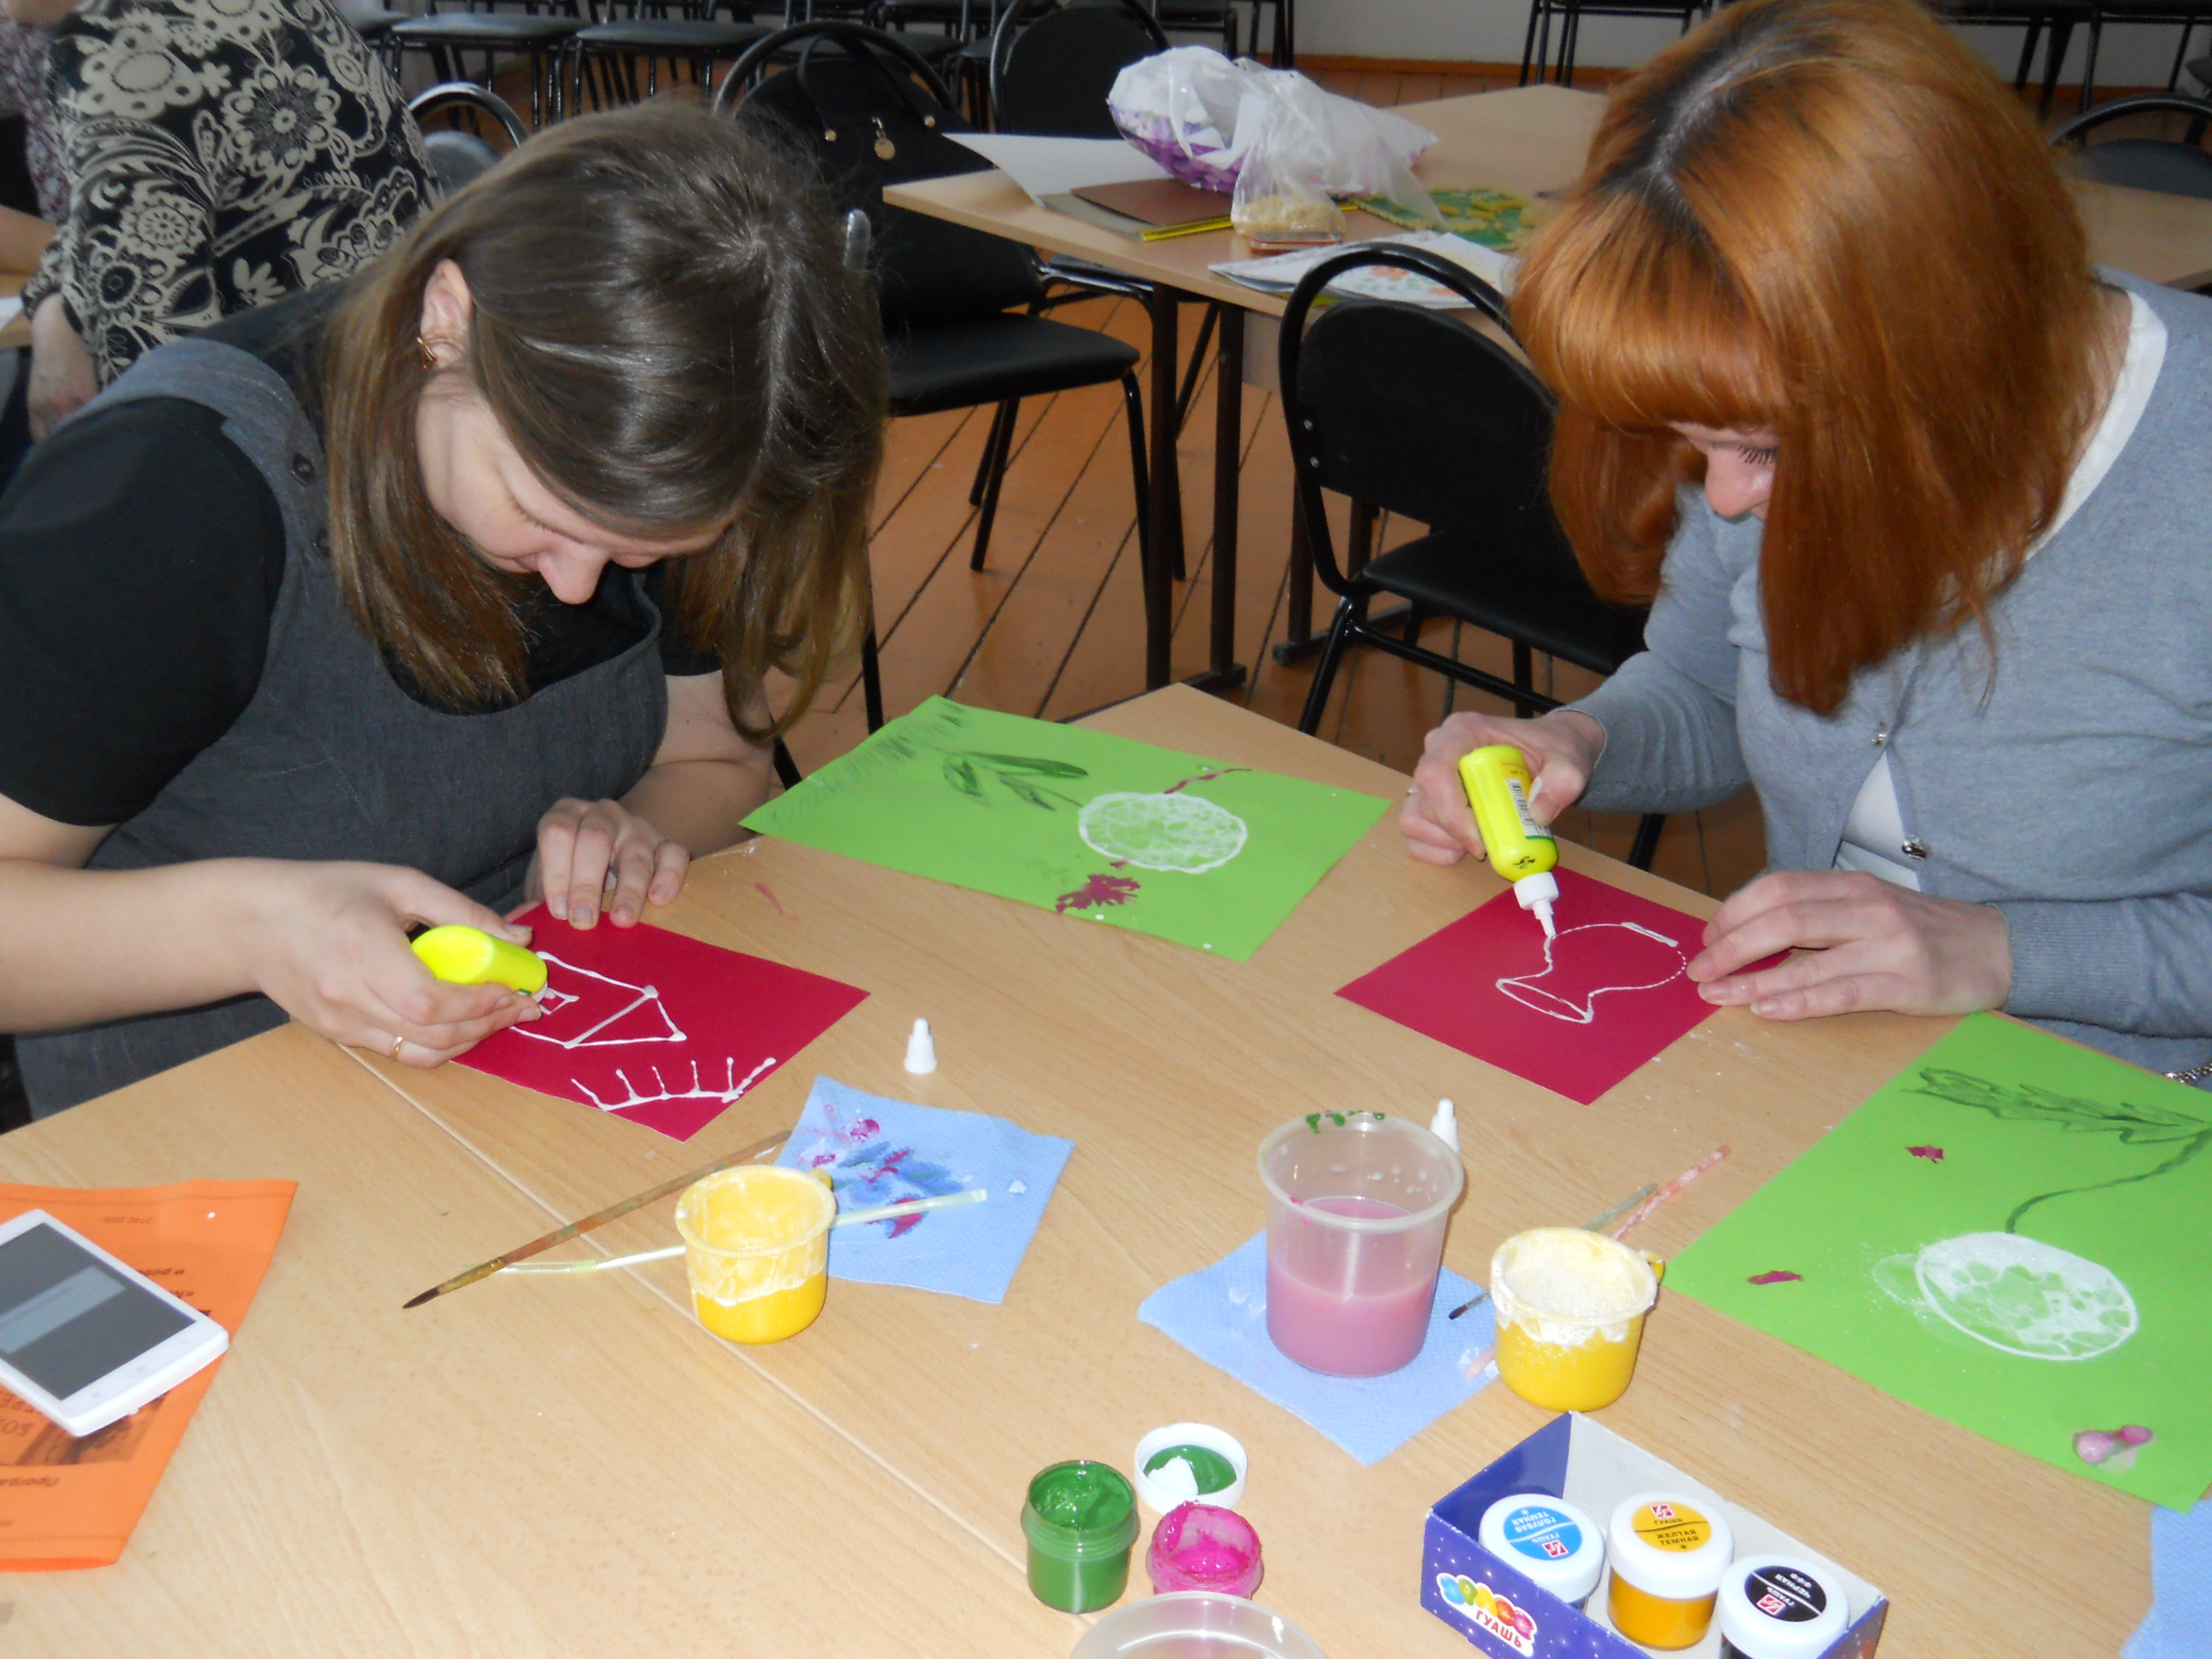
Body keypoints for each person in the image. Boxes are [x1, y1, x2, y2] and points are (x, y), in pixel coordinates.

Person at [0, 104, 887, 1115]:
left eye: (639, 553)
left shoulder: (692, 435)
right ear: (446, 321)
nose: (576, 585)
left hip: (520, 1078)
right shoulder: (177, 496)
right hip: (200, 1106)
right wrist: (256, 928)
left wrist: (636, 831)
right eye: (539, 513)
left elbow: (715, 760)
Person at [1399, 0, 2212, 1080]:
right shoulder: (1771, 378)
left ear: (1950, 360)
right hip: (1818, 1069)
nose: (1727, 499)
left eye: (1764, 450)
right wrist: (1577, 745)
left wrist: (2005, 952)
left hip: (2134, 1107)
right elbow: (1707, 688)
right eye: (1698, 446)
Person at [9, 0, 437, 437]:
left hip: (332, 428)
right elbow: (102, 215)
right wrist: (51, 305)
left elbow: (157, 387)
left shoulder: (118, 54)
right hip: (414, 372)